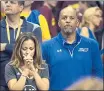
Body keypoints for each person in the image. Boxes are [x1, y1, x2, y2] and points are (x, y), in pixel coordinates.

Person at [42, 6, 103, 90]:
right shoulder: (46, 46)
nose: (68, 20)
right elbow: (42, 79)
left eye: (71, 18)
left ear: (77, 23)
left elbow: (98, 76)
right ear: (59, 23)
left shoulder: (92, 45)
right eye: (64, 18)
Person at [0, 1, 42, 90]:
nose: (7, 4)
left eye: (12, 2)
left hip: (27, 84)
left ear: (21, 7)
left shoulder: (34, 28)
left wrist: (5, 47)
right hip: (2, 83)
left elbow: (36, 55)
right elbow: (26, 53)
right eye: (6, 2)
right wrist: (22, 51)